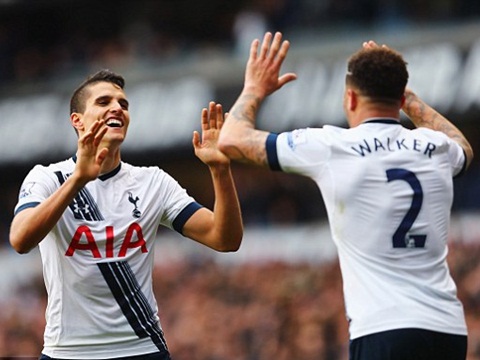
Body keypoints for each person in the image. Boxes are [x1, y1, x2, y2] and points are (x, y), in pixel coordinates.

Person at [217, 32, 474, 360]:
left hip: (384, 328)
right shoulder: (436, 147)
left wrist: (254, 89)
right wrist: (408, 99)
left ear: (350, 99)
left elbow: (232, 139)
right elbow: (463, 147)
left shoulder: (331, 146)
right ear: (399, 99)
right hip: (447, 328)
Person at [9, 70, 243, 360]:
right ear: (77, 121)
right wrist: (78, 181)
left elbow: (225, 239)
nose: (117, 108)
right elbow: (20, 240)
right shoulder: (48, 178)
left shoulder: (153, 182)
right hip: (68, 352)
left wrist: (220, 172)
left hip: (141, 348)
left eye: (123, 104)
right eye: (104, 101)